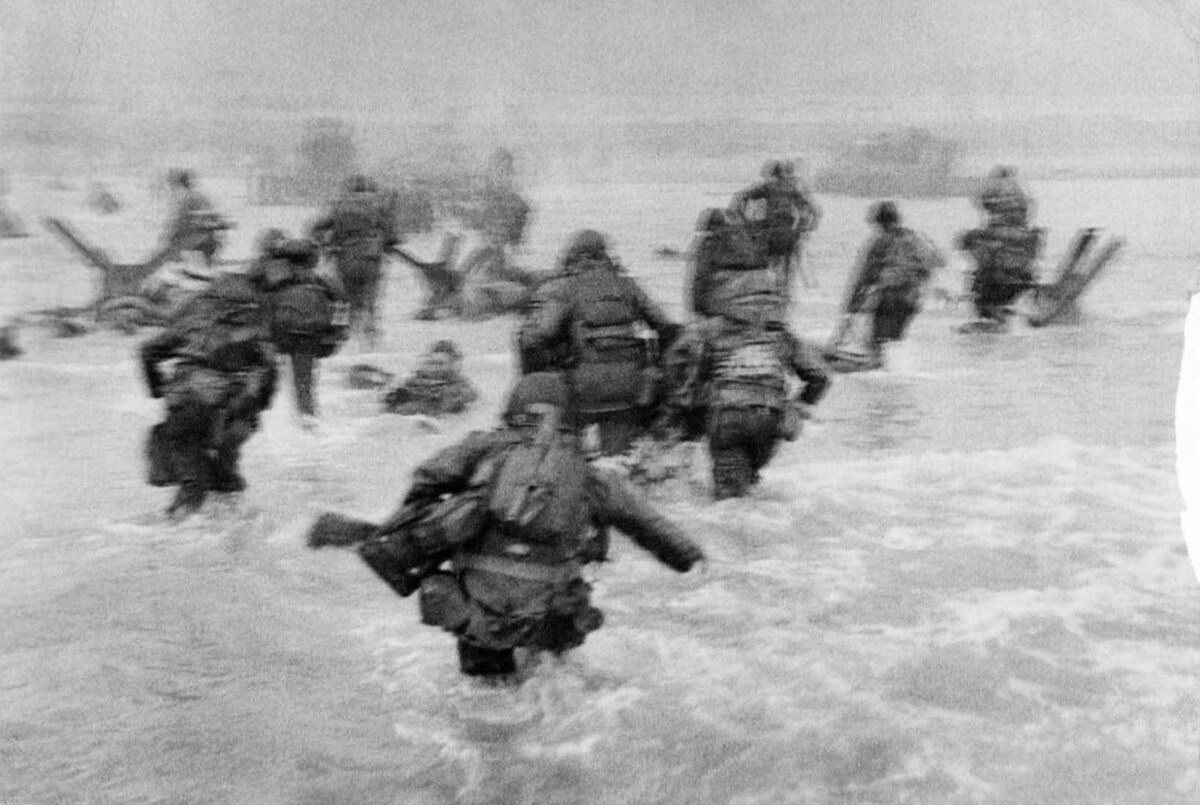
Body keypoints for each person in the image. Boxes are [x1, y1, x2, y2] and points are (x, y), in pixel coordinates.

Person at [362, 371, 706, 678]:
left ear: (514, 407)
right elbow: (645, 522)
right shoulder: (588, 473)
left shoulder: (483, 447)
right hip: (552, 609)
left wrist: (423, 526)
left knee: (487, 691)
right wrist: (689, 556)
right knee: (549, 681)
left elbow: (426, 478)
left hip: (478, 607)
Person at [518, 229, 680, 455]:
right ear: (604, 255)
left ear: (572, 257)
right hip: (631, 391)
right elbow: (668, 329)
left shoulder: (564, 288)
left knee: (567, 455)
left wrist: (538, 381)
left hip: (581, 392)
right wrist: (654, 367)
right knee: (617, 460)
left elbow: (533, 341)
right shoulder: (627, 286)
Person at [140, 273, 277, 518]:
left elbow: (148, 352)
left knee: (191, 480)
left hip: (188, 406)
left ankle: (181, 526)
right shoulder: (256, 331)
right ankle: (233, 523)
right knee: (226, 476)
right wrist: (258, 406)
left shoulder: (193, 323)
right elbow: (270, 370)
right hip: (233, 413)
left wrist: (157, 389)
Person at [662, 311, 831, 499]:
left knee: (728, 497)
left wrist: (683, 399)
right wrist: (798, 406)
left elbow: (677, 358)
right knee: (747, 486)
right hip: (770, 419)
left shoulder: (711, 328)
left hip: (728, 417)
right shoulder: (780, 334)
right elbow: (820, 377)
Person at [245, 230, 348, 426]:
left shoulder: (270, 276)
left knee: (259, 374)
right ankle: (308, 421)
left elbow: (248, 291)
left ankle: (258, 420)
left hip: (277, 336)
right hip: (308, 337)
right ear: (312, 259)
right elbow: (341, 305)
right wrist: (337, 333)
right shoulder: (323, 280)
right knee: (304, 386)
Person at [832, 201, 944, 369]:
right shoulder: (916, 238)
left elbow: (863, 278)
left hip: (891, 298)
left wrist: (849, 311)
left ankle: (873, 370)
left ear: (879, 222)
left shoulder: (880, 242)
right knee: (892, 344)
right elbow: (937, 262)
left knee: (877, 345)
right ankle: (891, 375)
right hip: (913, 300)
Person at [308, 175, 398, 347]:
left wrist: (327, 245)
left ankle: (349, 336)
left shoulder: (339, 206)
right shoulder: (377, 207)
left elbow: (316, 229)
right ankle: (370, 334)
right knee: (370, 298)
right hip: (371, 259)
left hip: (346, 257)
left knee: (347, 297)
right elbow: (391, 236)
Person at [728, 160, 821, 302]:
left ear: (771, 174)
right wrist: (805, 229)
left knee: (766, 269)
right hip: (790, 237)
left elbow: (741, 196)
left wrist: (741, 219)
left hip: (771, 236)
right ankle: (785, 298)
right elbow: (815, 211)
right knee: (786, 276)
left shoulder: (767, 186)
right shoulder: (792, 188)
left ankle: (769, 297)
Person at [382, 339, 478, 417]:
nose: (435, 368)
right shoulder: (411, 380)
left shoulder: (461, 387)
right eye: (432, 363)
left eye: (441, 364)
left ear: (454, 366)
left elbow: (447, 407)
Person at [159, 169, 230, 269]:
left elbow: (179, 224)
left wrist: (169, 240)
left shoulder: (186, 200)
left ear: (180, 185)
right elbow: (216, 218)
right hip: (208, 241)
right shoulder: (201, 197)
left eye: (175, 186)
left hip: (199, 243)